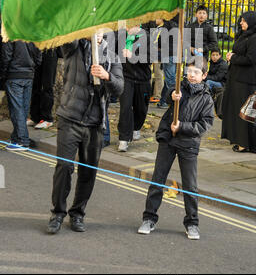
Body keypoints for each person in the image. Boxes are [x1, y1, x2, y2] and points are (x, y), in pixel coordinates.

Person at [47, 34, 124, 234]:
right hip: (70, 117)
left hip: (95, 123)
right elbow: (64, 36)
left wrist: (107, 76)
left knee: (88, 171)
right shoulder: (74, 47)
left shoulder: (112, 56)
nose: (96, 35)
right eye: (93, 30)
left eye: (99, 31)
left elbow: (119, 87)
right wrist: (80, 32)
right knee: (64, 166)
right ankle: (57, 213)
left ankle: (77, 213)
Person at [138, 56, 214, 240]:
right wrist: (171, 95)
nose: (191, 75)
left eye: (196, 72)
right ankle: (149, 218)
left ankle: (192, 223)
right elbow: (168, 94)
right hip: (169, 140)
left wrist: (182, 127)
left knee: (190, 185)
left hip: (188, 144)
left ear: (204, 75)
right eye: (189, 71)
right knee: (158, 179)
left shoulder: (206, 99)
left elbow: (205, 125)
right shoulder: (179, 87)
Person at [221, 11, 256, 154]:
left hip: (246, 81)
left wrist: (233, 58)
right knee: (235, 110)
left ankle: (245, 143)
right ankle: (237, 139)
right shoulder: (244, 35)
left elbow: (250, 59)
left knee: (244, 112)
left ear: (251, 22)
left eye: (244, 21)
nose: (241, 23)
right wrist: (231, 56)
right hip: (236, 78)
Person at [1, 40, 42, 151]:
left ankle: (22, 140)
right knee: (22, 109)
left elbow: (6, 55)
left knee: (17, 109)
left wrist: (3, 74)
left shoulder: (11, 32)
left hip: (14, 74)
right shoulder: (32, 32)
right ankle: (16, 138)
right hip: (29, 75)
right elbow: (39, 55)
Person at [117, 25, 151, 152]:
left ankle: (136, 127)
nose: (127, 28)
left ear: (137, 26)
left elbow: (150, 59)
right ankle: (123, 139)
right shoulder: (122, 37)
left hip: (143, 79)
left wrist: (132, 56)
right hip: (126, 78)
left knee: (141, 109)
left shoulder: (146, 37)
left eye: (130, 26)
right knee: (125, 107)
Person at [27, 48, 59, 129]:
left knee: (47, 86)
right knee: (35, 86)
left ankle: (47, 119)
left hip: (50, 51)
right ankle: (35, 117)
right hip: (38, 51)